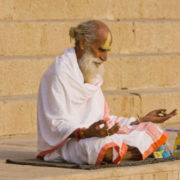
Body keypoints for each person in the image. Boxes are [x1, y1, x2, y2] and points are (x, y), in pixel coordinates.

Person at [37, 20, 177, 165]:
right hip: (67, 144)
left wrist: (142, 120)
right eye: (101, 50)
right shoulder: (58, 74)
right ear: (82, 43)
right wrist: (85, 133)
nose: (105, 58)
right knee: (102, 146)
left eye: (107, 52)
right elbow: (55, 125)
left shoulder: (91, 74)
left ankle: (123, 152)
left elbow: (105, 119)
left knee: (150, 129)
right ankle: (126, 152)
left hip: (97, 136)